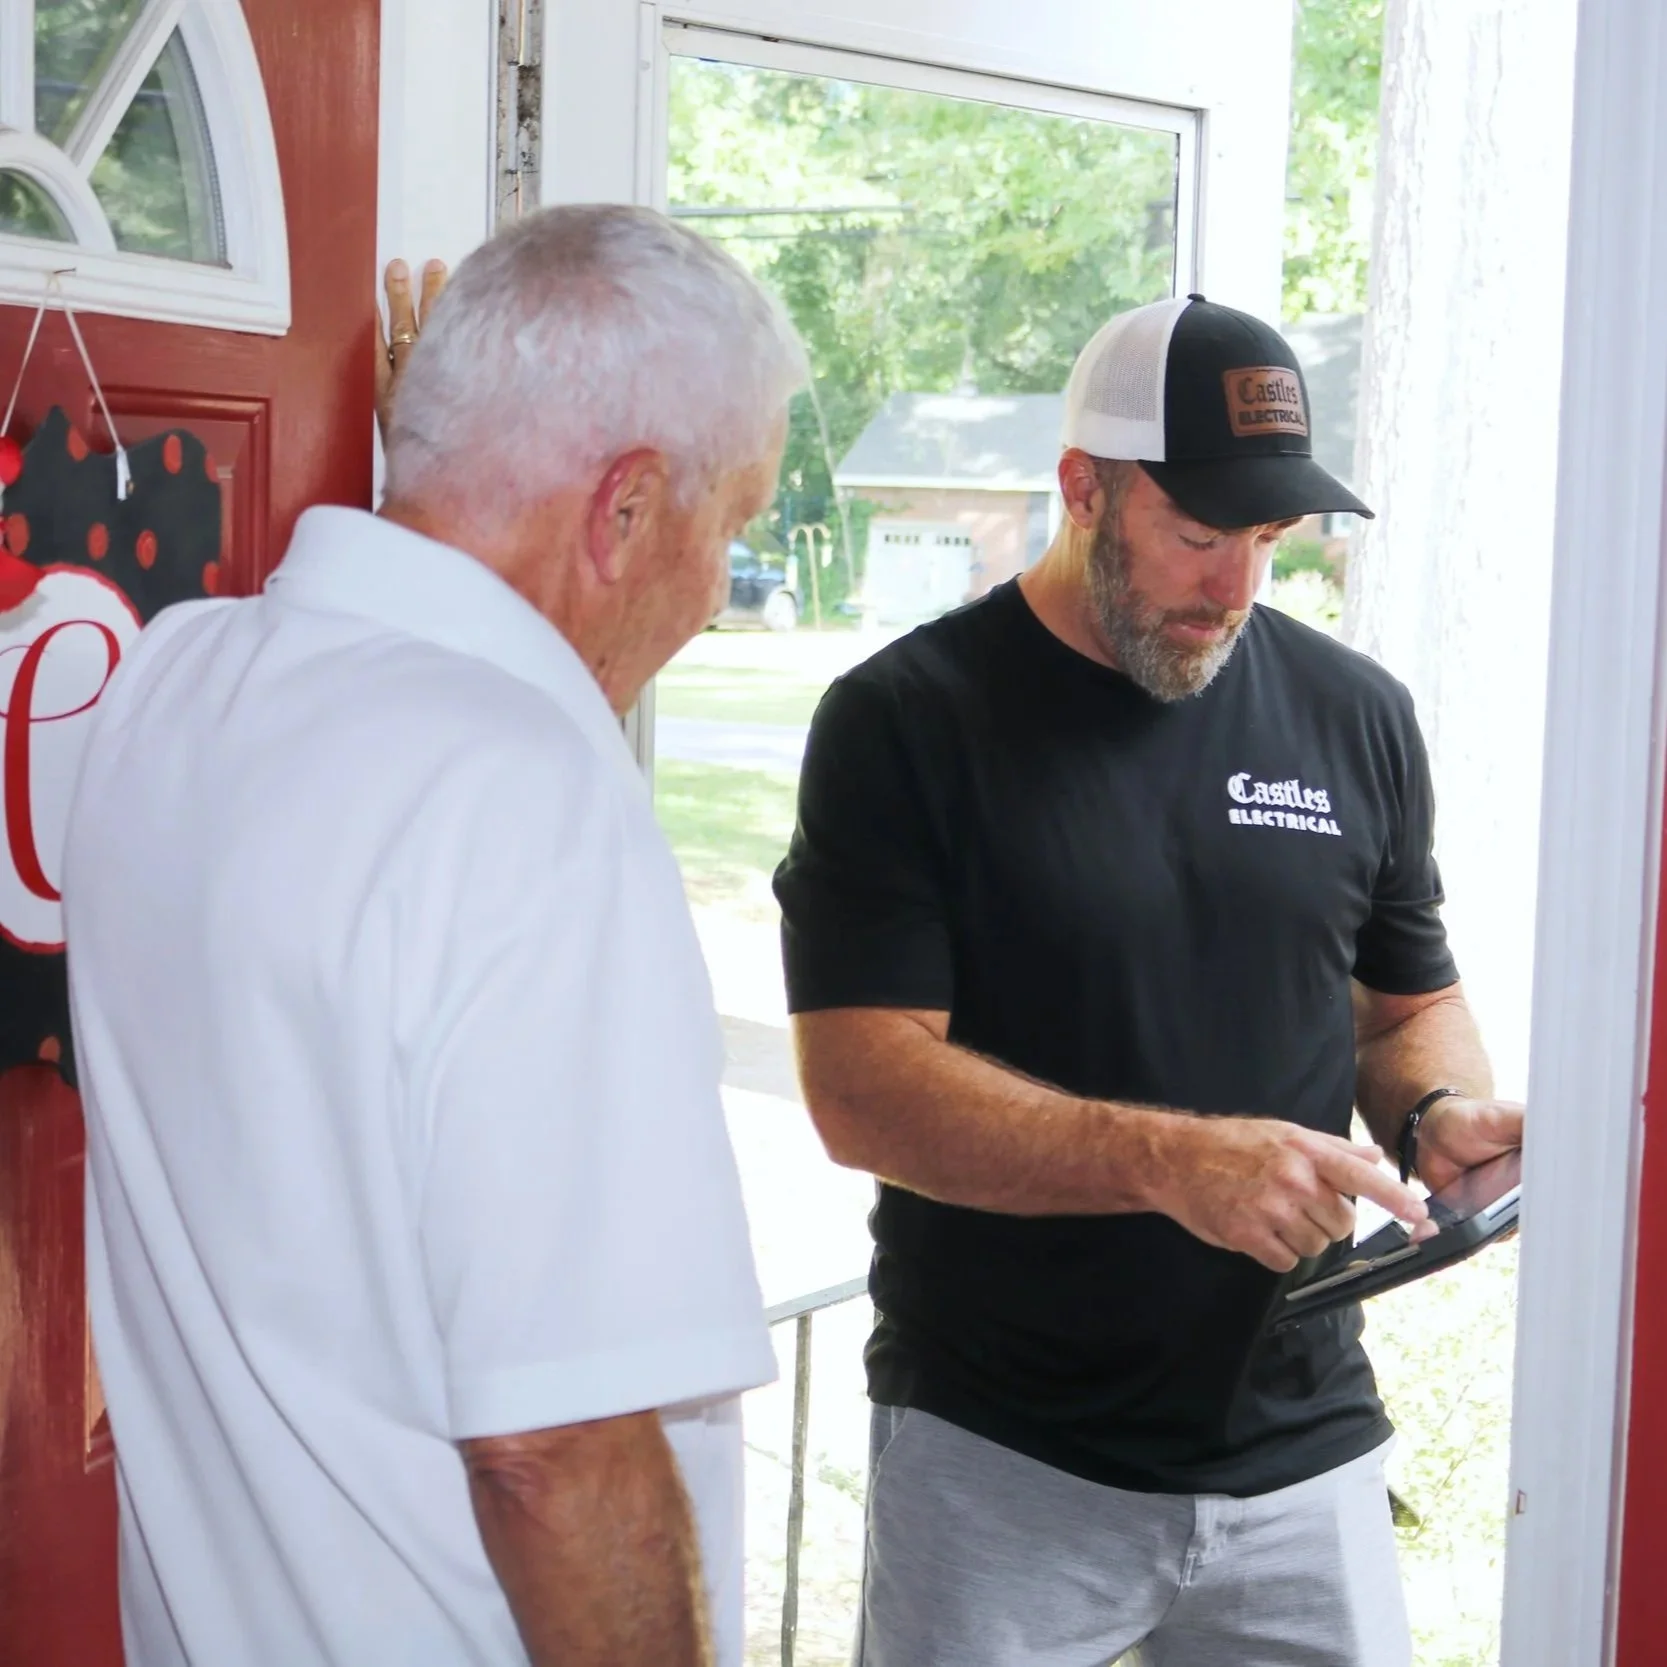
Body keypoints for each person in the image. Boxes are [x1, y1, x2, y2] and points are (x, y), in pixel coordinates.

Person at [64, 204, 806, 1667]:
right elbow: (556, 1443)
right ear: (631, 506)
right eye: (731, 523)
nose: (718, 594)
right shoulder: (522, 805)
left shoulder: (170, 681)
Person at [774, 292, 1526, 1667]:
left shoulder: (1354, 714)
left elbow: (1403, 1005)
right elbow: (859, 1086)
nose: (1234, 585)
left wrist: (1436, 1116)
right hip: (1001, 1449)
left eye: (1264, 536)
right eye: (1194, 534)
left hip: (1299, 1442)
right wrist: (1169, 1160)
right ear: (1081, 487)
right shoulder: (903, 722)